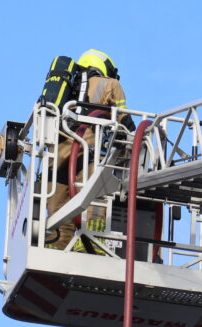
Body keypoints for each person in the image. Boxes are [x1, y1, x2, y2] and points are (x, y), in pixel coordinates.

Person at [46, 49, 129, 251]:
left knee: (58, 210)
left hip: (56, 157)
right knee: (94, 197)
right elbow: (125, 123)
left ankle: (56, 247)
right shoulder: (110, 84)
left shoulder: (66, 89)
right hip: (87, 153)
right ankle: (93, 241)